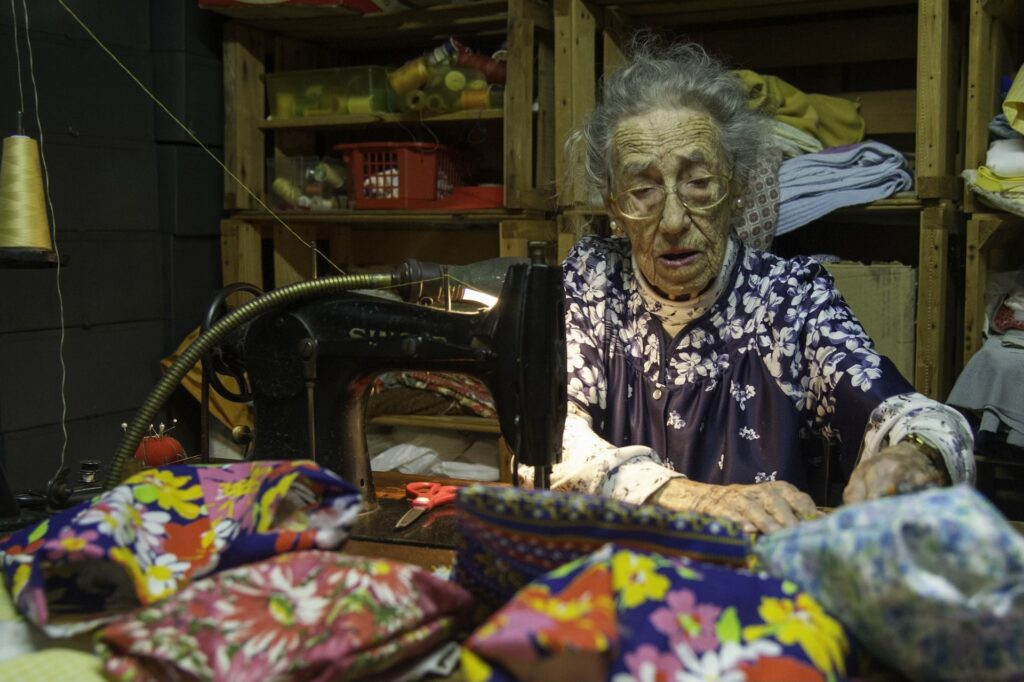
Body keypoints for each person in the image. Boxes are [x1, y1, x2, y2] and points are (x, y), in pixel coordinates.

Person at [545, 36, 975, 534]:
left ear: (737, 184)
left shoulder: (791, 300)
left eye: (698, 183)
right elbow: (550, 436)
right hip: (610, 577)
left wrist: (912, 459)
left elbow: (915, 417)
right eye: (641, 190)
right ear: (612, 202)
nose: (673, 220)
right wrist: (689, 497)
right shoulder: (593, 281)